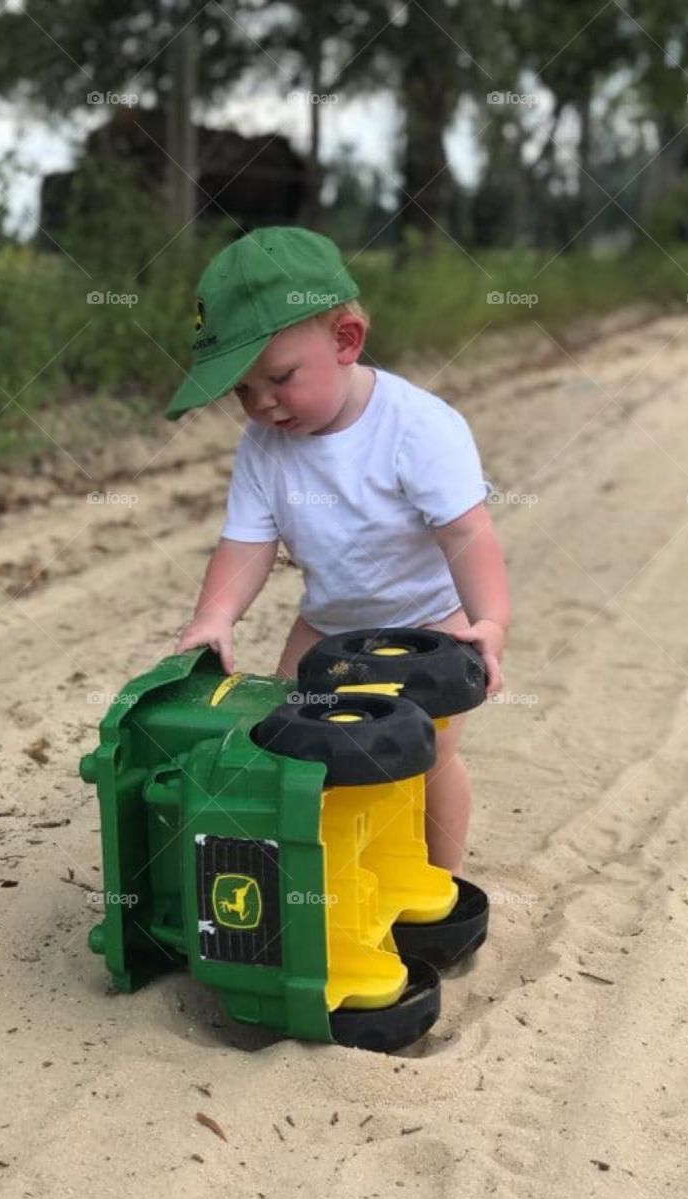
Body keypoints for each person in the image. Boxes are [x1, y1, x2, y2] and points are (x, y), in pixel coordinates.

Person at [165, 226, 510, 878]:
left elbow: (467, 534)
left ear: (346, 340)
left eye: (279, 378)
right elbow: (247, 542)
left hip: (428, 628)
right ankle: (327, 876)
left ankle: (434, 889)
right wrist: (216, 615)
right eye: (241, 392)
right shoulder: (264, 446)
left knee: (425, 758)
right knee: (293, 741)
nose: (262, 405)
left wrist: (489, 621)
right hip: (328, 626)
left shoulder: (418, 428)